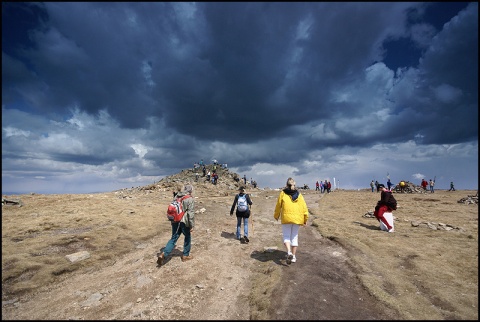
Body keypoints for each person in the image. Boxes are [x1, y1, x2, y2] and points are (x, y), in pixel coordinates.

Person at [157, 184, 196, 266]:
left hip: (175, 221)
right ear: (190, 191)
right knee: (187, 237)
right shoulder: (189, 199)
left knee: (174, 238)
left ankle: (163, 254)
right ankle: (185, 255)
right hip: (184, 222)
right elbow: (190, 214)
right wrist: (192, 225)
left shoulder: (177, 196)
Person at [273, 177, 309, 265]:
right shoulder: (299, 195)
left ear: (286, 184)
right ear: (294, 185)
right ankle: (293, 256)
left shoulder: (283, 193)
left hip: (286, 218)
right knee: (294, 237)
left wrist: (276, 215)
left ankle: (289, 252)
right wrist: (305, 219)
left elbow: (278, 205)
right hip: (297, 219)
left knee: (286, 237)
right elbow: (304, 207)